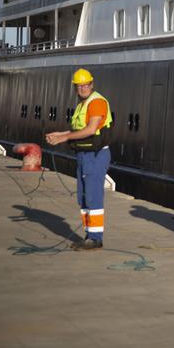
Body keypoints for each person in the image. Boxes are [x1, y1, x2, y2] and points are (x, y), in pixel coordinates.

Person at [45, 68, 113, 250]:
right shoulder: (83, 105)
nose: (82, 88)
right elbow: (78, 130)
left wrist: (66, 138)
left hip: (96, 156)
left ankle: (96, 238)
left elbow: (91, 130)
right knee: (83, 198)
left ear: (92, 84)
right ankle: (89, 234)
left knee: (93, 196)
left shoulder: (96, 102)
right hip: (84, 155)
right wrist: (60, 135)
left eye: (85, 84)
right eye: (79, 85)